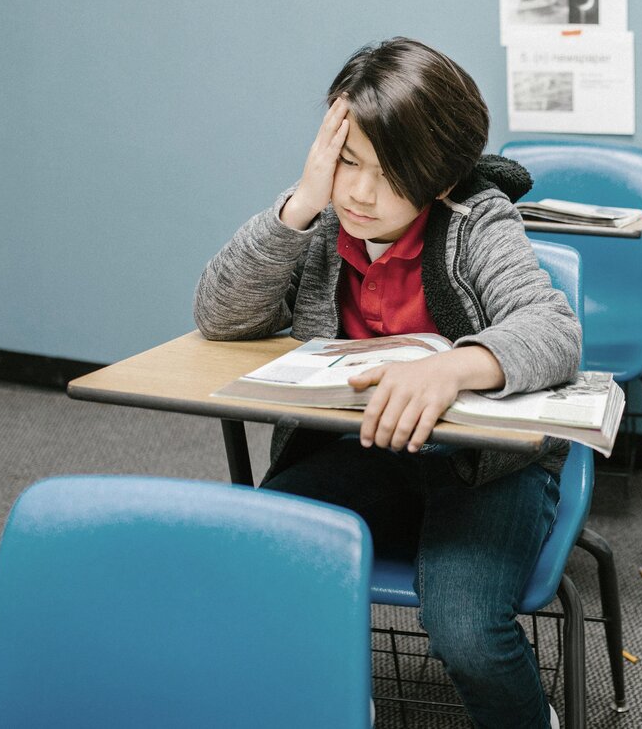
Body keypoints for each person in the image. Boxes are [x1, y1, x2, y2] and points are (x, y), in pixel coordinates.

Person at [194, 37, 581, 728]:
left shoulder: (476, 220)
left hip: (486, 466)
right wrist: (302, 203)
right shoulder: (321, 220)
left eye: (389, 173)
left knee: (465, 629)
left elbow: (554, 330)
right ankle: (339, 703)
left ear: (439, 177)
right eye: (346, 162)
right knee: (260, 556)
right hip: (362, 449)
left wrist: (453, 366)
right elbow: (221, 317)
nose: (360, 193)